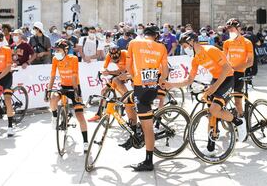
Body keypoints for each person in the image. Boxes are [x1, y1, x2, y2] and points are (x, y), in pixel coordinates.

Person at [165, 32, 246, 151]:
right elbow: (189, 80)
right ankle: (211, 143)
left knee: (214, 109)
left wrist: (213, 88)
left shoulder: (211, 50)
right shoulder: (196, 59)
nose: (184, 49)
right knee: (210, 113)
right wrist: (171, 84)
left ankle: (238, 122)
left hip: (227, 78)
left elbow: (227, 68)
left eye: (184, 46)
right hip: (216, 79)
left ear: (191, 42)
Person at [125, 26, 168, 171]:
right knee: (127, 101)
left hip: (139, 88)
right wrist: (160, 80)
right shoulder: (161, 47)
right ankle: (134, 131)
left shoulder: (134, 43)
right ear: (156, 36)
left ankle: (148, 162)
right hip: (152, 87)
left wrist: (132, 78)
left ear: (144, 34)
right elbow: (165, 70)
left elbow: (128, 66)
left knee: (148, 128)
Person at [47, 39, 88, 152]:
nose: (56, 52)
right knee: (53, 98)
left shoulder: (73, 59)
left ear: (65, 50)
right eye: (56, 50)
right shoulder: (55, 59)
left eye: (59, 50)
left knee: (80, 116)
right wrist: (48, 89)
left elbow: (75, 76)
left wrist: (76, 93)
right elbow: (52, 75)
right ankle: (55, 117)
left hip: (74, 87)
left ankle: (85, 142)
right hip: (64, 86)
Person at [223, 18, 254, 135]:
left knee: (237, 102)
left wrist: (234, 68)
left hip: (240, 73)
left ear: (239, 29)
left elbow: (250, 62)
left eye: (232, 28)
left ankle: (243, 125)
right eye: (228, 29)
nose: (230, 30)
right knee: (222, 100)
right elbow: (224, 59)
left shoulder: (247, 42)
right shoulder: (227, 43)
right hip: (229, 73)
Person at [88, 45, 130, 122]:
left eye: (117, 59)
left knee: (125, 93)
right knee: (104, 91)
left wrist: (109, 72)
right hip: (119, 72)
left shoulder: (125, 53)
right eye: (114, 60)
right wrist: (103, 71)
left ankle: (129, 103)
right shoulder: (108, 55)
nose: (116, 61)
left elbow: (125, 70)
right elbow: (104, 67)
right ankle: (98, 114)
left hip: (129, 72)